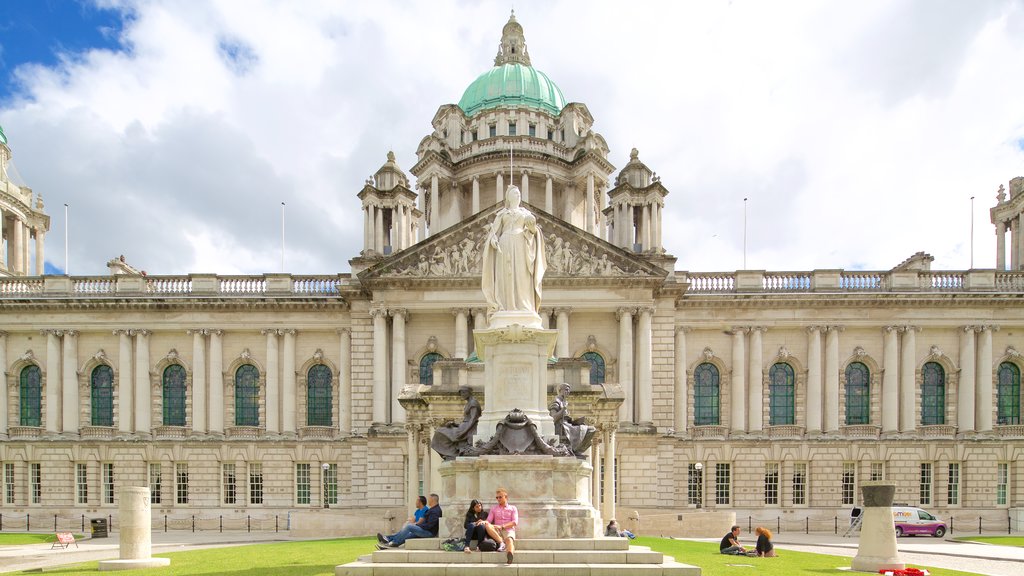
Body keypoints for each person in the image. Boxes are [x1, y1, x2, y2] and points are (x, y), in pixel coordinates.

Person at [481, 185, 546, 319]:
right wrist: (493, 240)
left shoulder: (526, 213)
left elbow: (533, 231)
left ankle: (524, 305)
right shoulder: (501, 214)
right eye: (515, 193)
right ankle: (506, 305)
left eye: (518, 193)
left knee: (522, 275)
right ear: (508, 197)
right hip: (504, 246)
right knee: (506, 275)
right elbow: (494, 232)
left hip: (521, 245)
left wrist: (532, 227)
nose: (518, 195)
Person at [430, 386, 481, 460]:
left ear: (469, 392)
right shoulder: (468, 403)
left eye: (463, 392)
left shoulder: (473, 403)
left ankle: (452, 453)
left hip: (468, 428)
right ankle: (451, 453)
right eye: (461, 393)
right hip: (463, 426)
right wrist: (454, 424)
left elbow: (473, 419)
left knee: (440, 433)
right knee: (440, 431)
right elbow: (467, 419)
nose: (462, 395)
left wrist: (464, 431)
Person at [376, 493, 442, 549]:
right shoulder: (433, 509)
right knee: (409, 535)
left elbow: (430, 525)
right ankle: (389, 543)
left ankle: (392, 541)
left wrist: (417, 525)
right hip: (426, 530)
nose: (428, 501)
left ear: (433, 500)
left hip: (429, 533)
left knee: (409, 527)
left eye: (429, 499)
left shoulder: (435, 511)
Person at [549, 383, 596, 457]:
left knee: (591, 429)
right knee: (589, 430)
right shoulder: (556, 401)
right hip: (561, 427)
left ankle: (577, 450)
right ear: (560, 390)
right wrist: (563, 410)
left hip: (567, 425)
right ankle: (576, 449)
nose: (568, 392)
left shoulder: (564, 401)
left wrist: (575, 421)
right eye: (566, 390)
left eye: (569, 390)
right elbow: (553, 418)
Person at [486, 487, 518, 564]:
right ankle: (501, 542)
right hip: (496, 530)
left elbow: (515, 522)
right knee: (487, 525)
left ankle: (510, 554)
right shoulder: (494, 508)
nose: (498, 499)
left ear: (506, 497)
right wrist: (483, 522)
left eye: (500, 497)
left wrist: (502, 526)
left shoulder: (513, 508)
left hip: (508, 529)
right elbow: (488, 521)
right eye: (497, 497)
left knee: (509, 540)